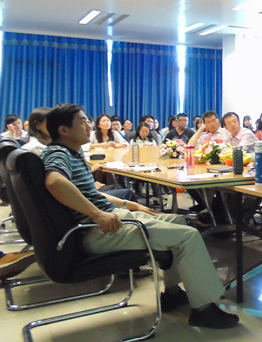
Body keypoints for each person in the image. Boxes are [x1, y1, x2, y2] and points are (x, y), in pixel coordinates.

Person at [41, 104, 238, 328]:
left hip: (111, 217)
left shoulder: (71, 153)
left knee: (177, 220)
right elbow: (54, 182)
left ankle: (172, 293)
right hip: (99, 230)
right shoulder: (58, 153)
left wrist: (133, 205)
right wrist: (97, 215)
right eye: (83, 121)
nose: (89, 126)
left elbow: (91, 194)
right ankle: (203, 310)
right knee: (189, 236)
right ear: (64, 130)